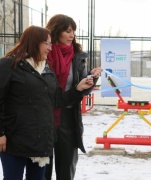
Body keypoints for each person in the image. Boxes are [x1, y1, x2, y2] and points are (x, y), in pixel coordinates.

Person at [0, 25, 94, 180]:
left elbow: (57, 100)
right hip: (14, 139)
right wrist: (1, 133)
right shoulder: (9, 65)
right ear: (34, 42)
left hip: (41, 140)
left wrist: (78, 89)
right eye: (47, 44)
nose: (50, 48)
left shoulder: (46, 69)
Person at [44, 14, 102, 180]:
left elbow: (81, 91)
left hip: (68, 117)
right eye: (68, 31)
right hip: (43, 116)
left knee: (66, 167)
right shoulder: (42, 53)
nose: (72, 35)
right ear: (56, 31)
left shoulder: (78, 56)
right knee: (42, 168)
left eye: (73, 31)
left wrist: (91, 79)